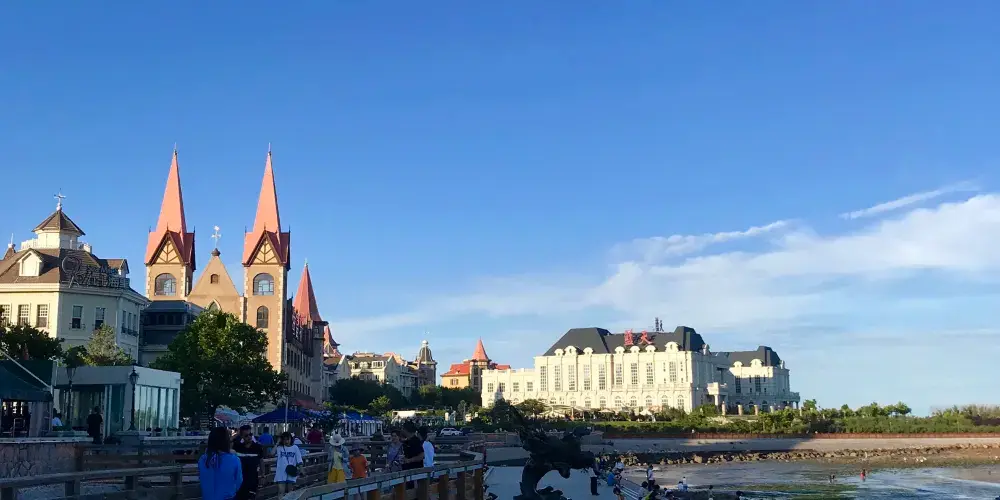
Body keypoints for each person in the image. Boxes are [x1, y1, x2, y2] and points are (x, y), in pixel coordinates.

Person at [198, 427, 243, 500]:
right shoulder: (234, 459)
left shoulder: (202, 459)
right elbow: (239, 481)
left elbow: (201, 478)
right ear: (226, 441)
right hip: (227, 497)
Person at [232, 425, 264, 500]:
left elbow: (261, 461)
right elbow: (227, 445)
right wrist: (236, 435)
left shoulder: (258, 447)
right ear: (241, 436)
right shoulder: (237, 447)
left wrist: (263, 475)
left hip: (253, 480)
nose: (249, 437)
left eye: (250, 434)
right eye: (246, 435)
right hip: (240, 482)